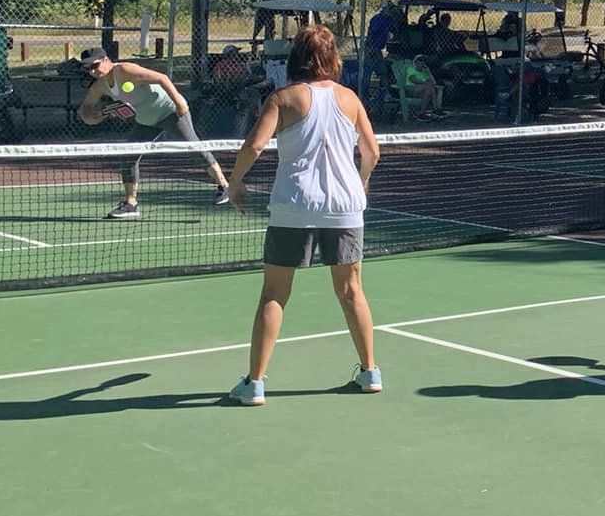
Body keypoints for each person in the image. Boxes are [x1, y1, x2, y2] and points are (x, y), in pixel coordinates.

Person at [224, 24, 383, 406]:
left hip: (294, 205)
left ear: (297, 58)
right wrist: (359, 183)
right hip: (345, 208)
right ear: (333, 59)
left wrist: (234, 183)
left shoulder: (283, 98)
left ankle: (255, 383)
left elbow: (255, 145)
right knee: (351, 291)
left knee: (274, 293)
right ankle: (370, 372)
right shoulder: (350, 99)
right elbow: (372, 153)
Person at [76, 47, 229, 219]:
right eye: (88, 69)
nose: (93, 71)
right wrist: (94, 117)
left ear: (105, 60)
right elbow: (85, 110)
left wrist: (179, 102)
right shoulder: (100, 86)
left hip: (170, 112)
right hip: (146, 121)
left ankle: (224, 186)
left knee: (193, 148)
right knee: (128, 156)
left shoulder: (125, 70)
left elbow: (161, 78)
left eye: (95, 65)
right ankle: (130, 204)